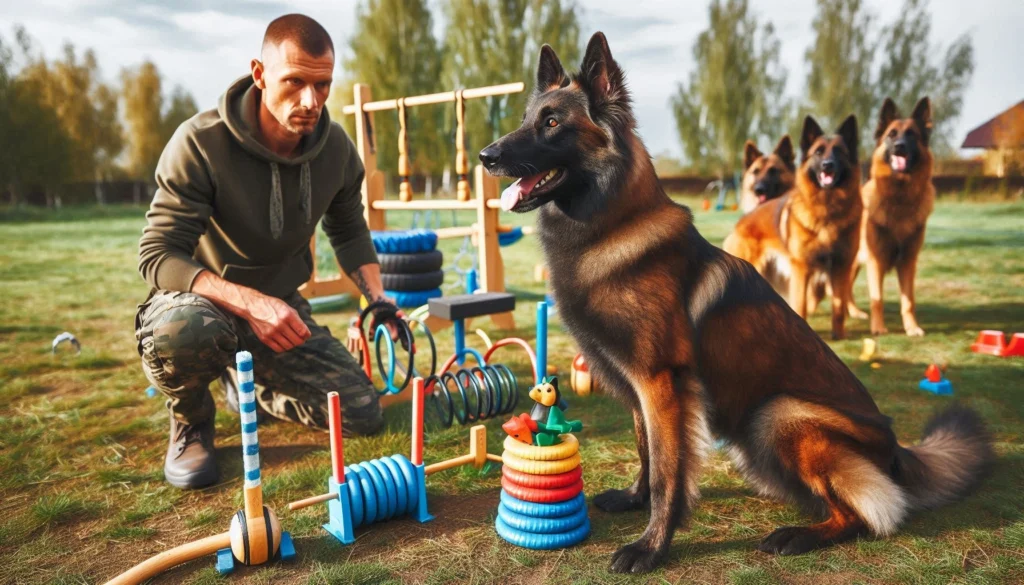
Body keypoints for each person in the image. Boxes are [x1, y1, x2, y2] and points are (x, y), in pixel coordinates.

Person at [135, 14, 393, 489]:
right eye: (294, 82)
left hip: (280, 308)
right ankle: (191, 421)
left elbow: (350, 230)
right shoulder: (199, 142)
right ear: (259, 74)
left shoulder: (336, 149)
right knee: (184, 329)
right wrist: (251, 303)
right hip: (202, 307)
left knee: (361, 413)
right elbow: (157, 255)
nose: (310, 101)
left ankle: (246, 386)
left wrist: (378, 298)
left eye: (323, 85)